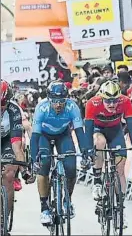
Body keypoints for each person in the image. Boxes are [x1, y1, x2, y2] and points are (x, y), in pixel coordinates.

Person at [30, 81, 92, 224]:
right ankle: (44, 207)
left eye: (62, 101)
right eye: (55, 101)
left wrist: (85, 152)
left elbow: (79, 132)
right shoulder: (41, 108)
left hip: (63, 135)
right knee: (43, 165)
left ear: (66, 99)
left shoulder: (72, 107)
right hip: (44, 136)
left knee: (71, 167)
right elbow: (34, 138)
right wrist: (34, 159)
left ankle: (67, 201)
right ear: (49, 99)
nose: (58, 105)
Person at [84, 80, 132, 202]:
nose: (112, 104)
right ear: (101, 98)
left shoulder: (125, 101)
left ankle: (120, 205)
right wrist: (88, 150)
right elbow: (88, 130)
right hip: (98, 129)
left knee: (120, 169)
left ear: (120, 98)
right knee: (100, 142)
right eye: (108, 100)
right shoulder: (92, 103)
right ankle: (97, 181)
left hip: (115, 130)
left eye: (115, 100)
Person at [1, 80, 33, 219]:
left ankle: (4, 219)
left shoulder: (14, 110)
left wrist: (24, 169)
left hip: (8, 139)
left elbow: (16, 144)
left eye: (3, 104)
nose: (1, 108)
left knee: (8, 175)